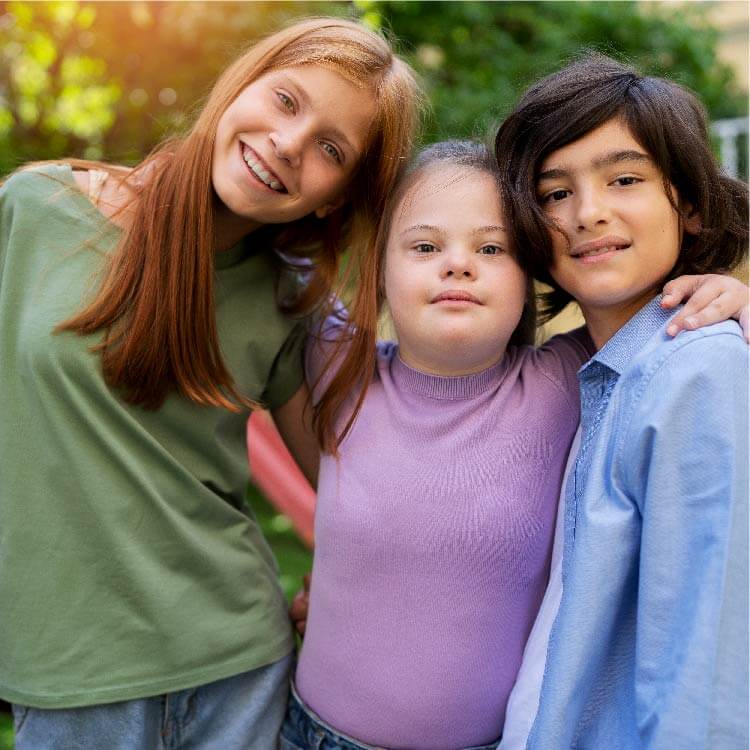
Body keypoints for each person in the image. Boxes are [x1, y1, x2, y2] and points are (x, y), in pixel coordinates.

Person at [0, 17, 422, 749]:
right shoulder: (36, 211)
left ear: (334, 198)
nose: (289, 144)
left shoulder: (295, 302)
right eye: (287, 101)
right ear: (241, 86)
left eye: (330, 149)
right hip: (72, 677)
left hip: (238, 670)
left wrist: (350, 586)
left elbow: (356, 481)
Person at [279, 140, 748, 750]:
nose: (457, 265)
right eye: (424, 246)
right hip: (311, 735)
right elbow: (268, 249)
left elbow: (663, 317)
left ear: (530, 278)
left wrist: (732, 292)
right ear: (379, 269)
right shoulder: (340, 368)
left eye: (491, 248)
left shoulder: (567, 379)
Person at [495, 54, 748, 749]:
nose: (588, 213)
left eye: (625, 179)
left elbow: (704, 672)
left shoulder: (698, 371)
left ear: (689, 205)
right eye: (552, 194)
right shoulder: (595, 367)